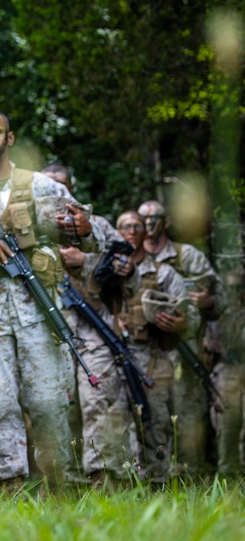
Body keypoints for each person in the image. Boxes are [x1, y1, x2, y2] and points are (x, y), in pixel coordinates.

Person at [0, 111, 95, 490]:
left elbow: (88, 229)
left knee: (50, 403)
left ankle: (63, 486)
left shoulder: (41, 186)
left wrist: (84, 229)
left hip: (39, 311)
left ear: (10, 138)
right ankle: (8, 486)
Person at [42, 163, 131, 486]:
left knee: (99, 401)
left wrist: (87, 260)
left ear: (72, 189)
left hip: (95, 328)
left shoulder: (99, 226)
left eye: (61, 187)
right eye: (48, 186)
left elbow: (126, 268)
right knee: (58, 407)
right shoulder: (31, 228)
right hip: (49, 331)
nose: (55, 194)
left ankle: (102, 478)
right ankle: (62, 483)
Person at [138, 199, 225, 478]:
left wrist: (208, 300)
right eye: (144, 219)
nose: (149, 224)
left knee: (189, 416)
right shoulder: (132, 258)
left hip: (187, 349)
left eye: (155, 218)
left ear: (167, 222)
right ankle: (157, 480)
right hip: (148, 353)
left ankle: (192, 478)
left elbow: (220, 300)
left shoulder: (188, 256)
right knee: (155, 417)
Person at [111, 210, 199, 483]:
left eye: (138, 226)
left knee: (156, 425)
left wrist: (179, 323)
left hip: (153, 358)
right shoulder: (104, 270)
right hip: (111, 359)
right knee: (115, 427)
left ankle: (159, 486)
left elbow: (192, 317)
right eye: (125, 226)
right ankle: (121, 489)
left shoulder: (164, 274)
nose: (132, 231)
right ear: (117, 232)